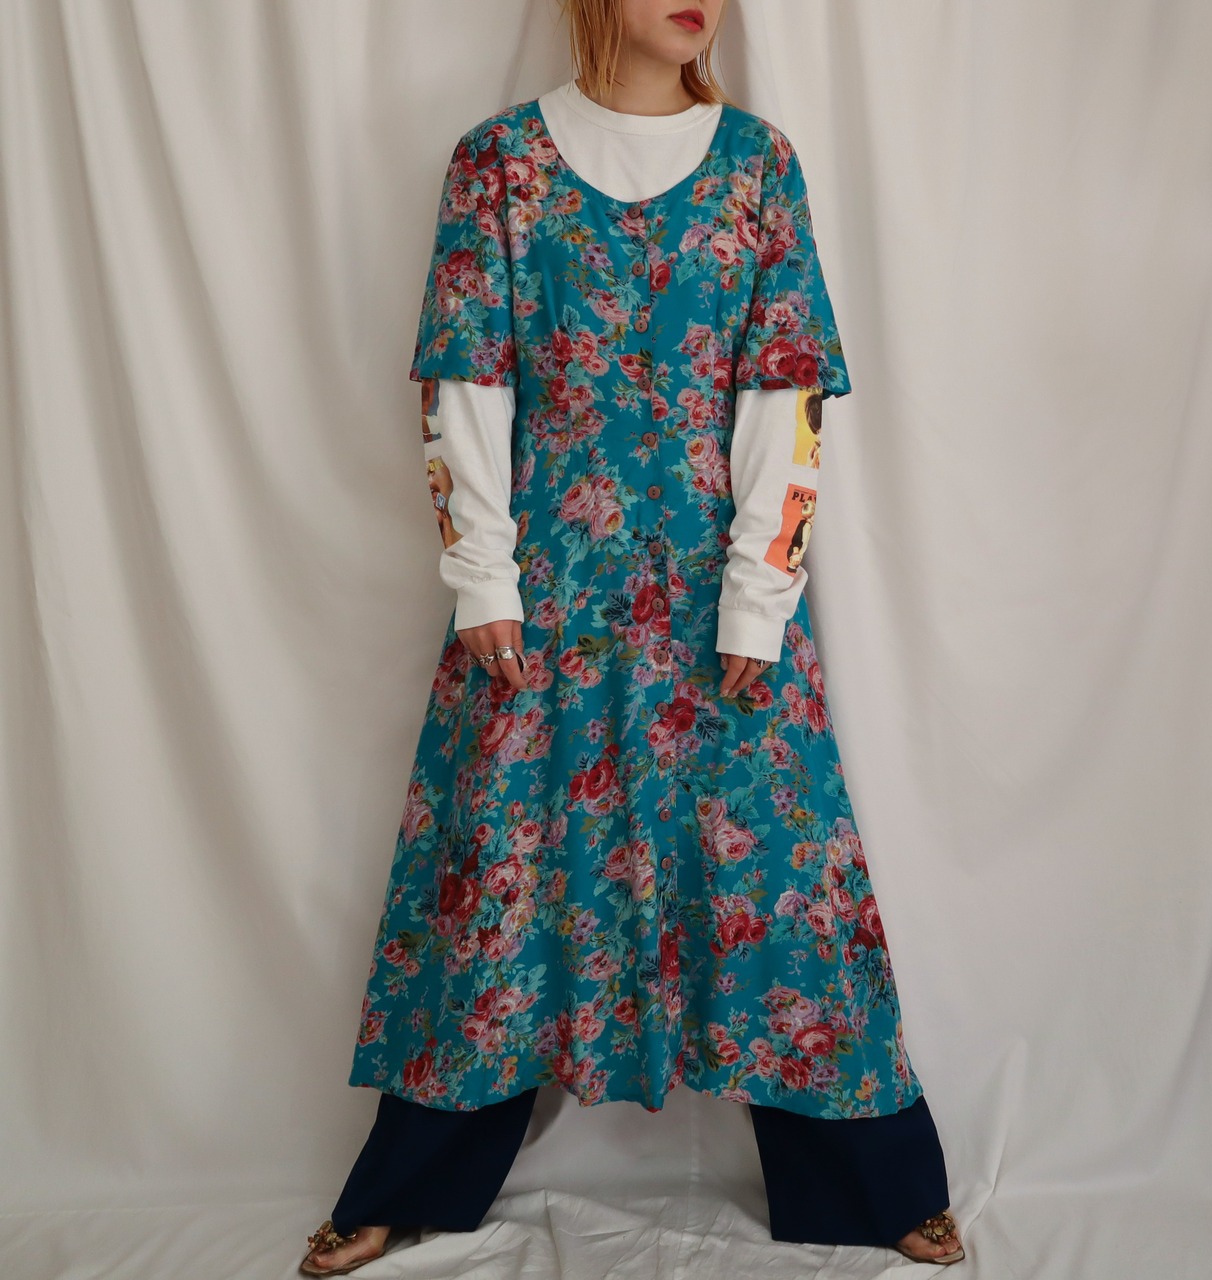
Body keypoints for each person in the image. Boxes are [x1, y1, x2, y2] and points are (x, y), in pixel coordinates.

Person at [301, 0, 967, 1272]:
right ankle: (411, 1176)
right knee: (497, 886)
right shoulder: (497, 163)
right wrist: (483, 575)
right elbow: (466, 374)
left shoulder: (758, 165)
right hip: (545, 597)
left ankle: (870, 1179)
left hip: (720, 600)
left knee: (782, 884)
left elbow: (785, 385)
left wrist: (758, 589)